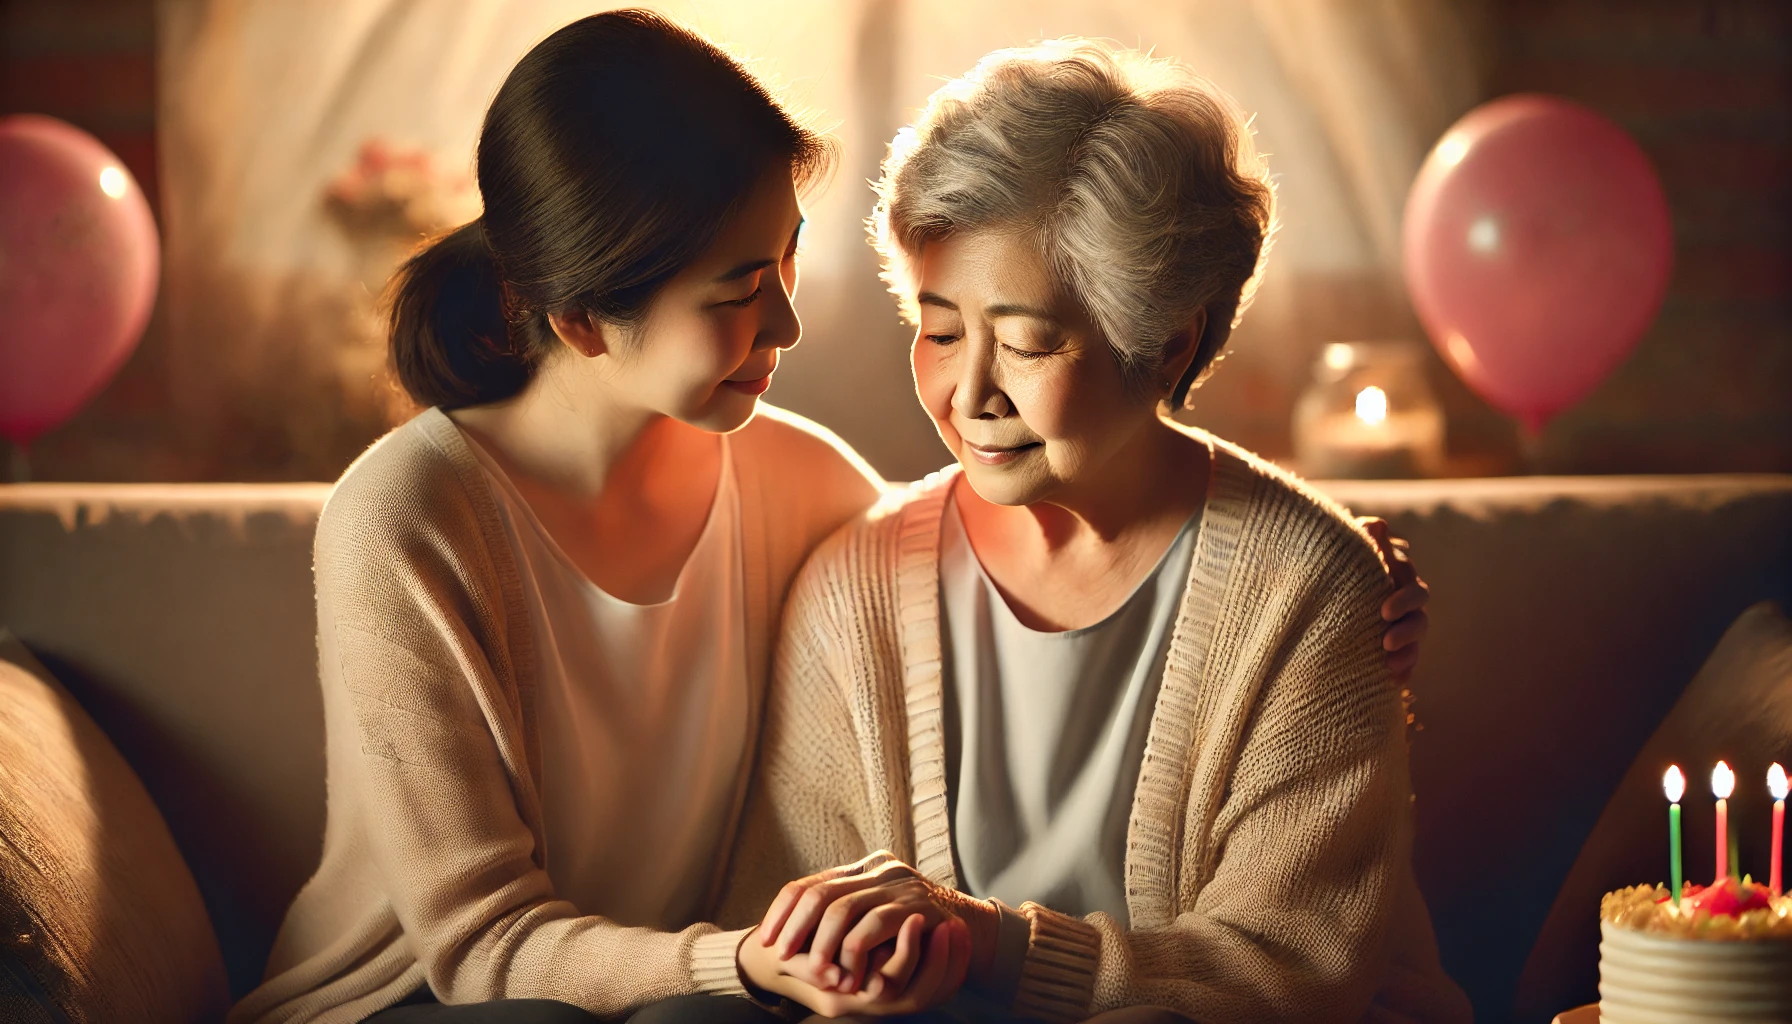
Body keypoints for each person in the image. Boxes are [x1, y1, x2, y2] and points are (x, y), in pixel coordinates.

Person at [228, 14, 1432, 1024]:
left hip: (698, 992)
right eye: (937, 329)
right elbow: (488, 944)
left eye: (786, 262)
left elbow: (1026, 530)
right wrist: (753, 962)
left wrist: (1323, 573)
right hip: (444, 997)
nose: (789, 326)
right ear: (584, 319)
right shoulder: (410, 514)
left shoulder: (804, 492)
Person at [720, 39, 1472, 1023]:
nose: (971, 393)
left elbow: (1292, 970)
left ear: (1166, 342)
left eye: (1027, 343)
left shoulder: (1311, 587)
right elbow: (787, 939)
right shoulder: (851, 588)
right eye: (939, 331)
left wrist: (985, 942)